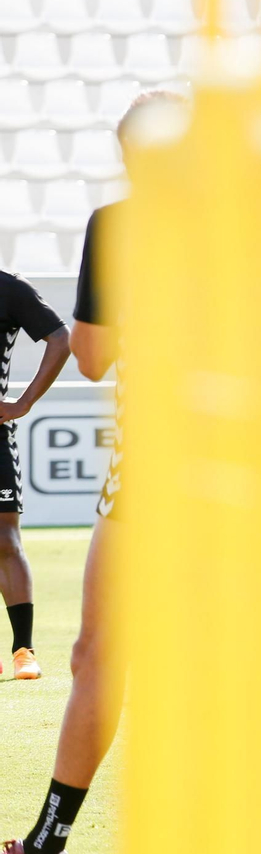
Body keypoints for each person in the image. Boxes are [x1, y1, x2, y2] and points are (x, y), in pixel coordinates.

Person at [0, 91, 184, 854]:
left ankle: (44, 849)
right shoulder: (255, 221)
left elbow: (95, 356)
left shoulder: (121, 224)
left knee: (100, 653)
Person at [0, 271, 72, 681]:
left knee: (5, 539)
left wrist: (24, 402)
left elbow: (61, 339)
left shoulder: (10, 288)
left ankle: (23, 651)